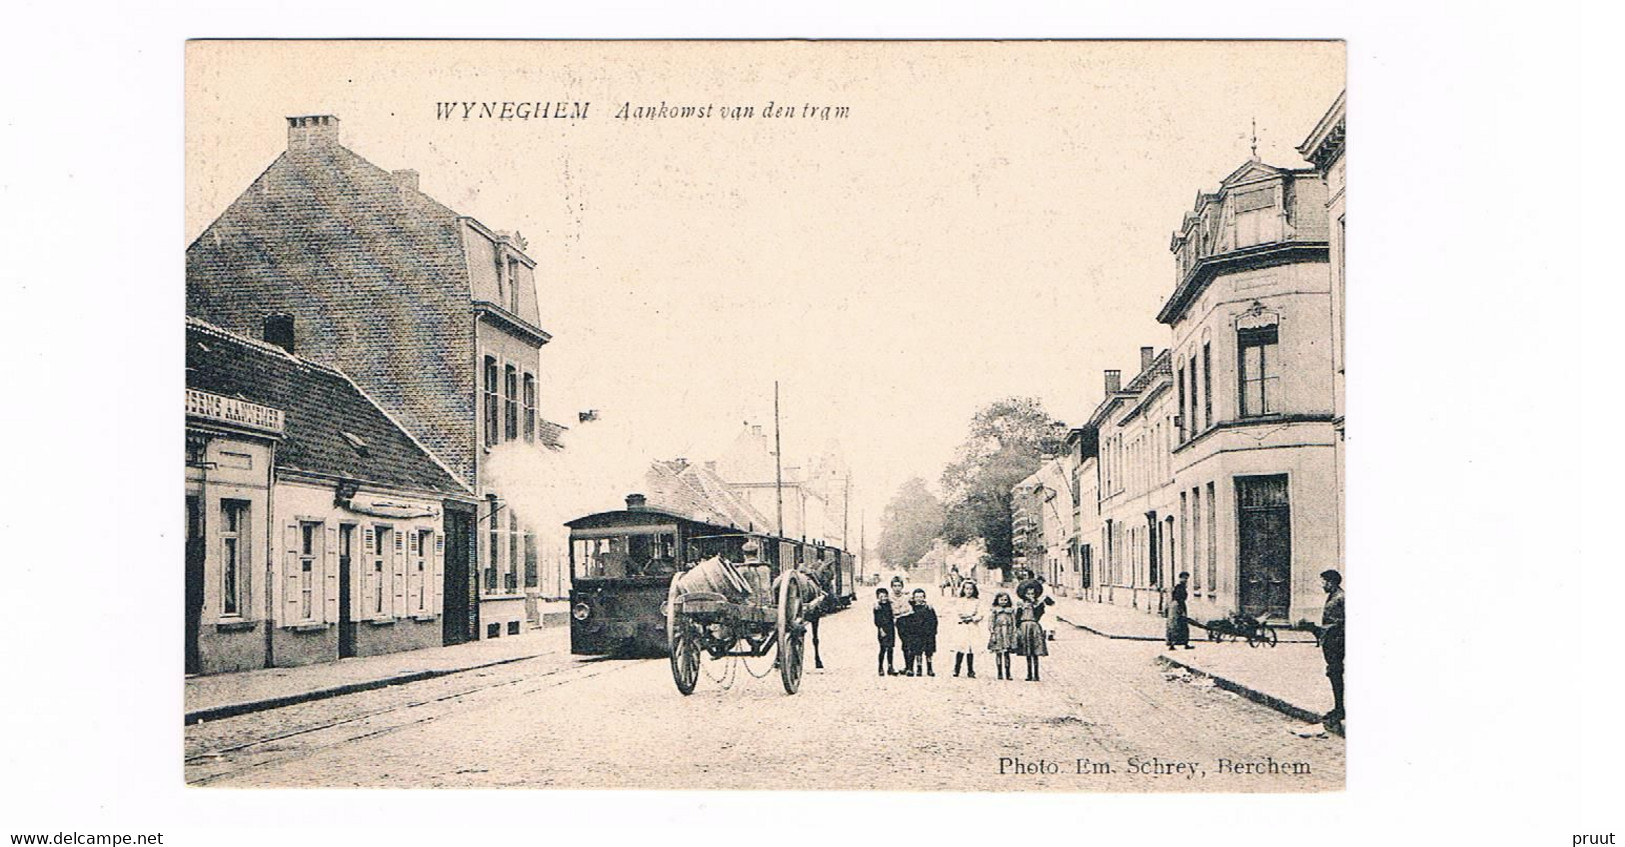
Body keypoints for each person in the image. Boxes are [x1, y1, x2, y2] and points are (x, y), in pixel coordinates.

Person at [1316, 569, 1346, 728]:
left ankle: (1340, 709)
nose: (1321, 585)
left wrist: (1320, 631)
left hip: (1336, 642)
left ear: (1330, 582)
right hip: (1331, 641)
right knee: (1334, 674)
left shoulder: (1340, 598)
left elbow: (1339, 623)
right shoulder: (1334, 596)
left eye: (1323, 581)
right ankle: (1338, 707)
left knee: (1335, 673)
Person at [895, 588, 938, 676]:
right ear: (913, 598)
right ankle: (919, 668)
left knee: (929, 652)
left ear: (924, 597)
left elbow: (934, 620)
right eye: (917, 597)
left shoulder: (928, 608)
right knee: (918, 651)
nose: (919, 599)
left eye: (921, 597)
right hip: (916, 634)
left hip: (928, 634)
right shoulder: (911, 608)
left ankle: (930, 668)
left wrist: (933, 631)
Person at [1013, 581, 1049, 681]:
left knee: (1035, 651)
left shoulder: (1038, 605)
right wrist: (1017, 627)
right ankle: (1029, 673)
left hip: (1034, 626)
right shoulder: (1021, 605)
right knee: (1027, 651)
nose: (1030, 596)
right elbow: (1018, 617)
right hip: (1024, 627)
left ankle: (1036, 674)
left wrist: (1035, 605)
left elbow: (1039, 615)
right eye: (1028, 594)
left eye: (1032, 594)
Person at [950, 580, 984, 678]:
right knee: (960, 647)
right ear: (963, 590)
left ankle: (970, 670)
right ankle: (957, 669)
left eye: (971, 589)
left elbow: (980, 614)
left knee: (970, 648)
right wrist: (961, 618)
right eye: (967, 589)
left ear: (974, 590)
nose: (969, 591)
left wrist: (972, 618)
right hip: (962, 626)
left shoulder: (977, 601)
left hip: (972, 626)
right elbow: (956, 612)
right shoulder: (960, 601)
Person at [986, 590, 1017, 680]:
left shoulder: (1010, 611)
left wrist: (1013, 632)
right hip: (998, 632)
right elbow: (991, 622)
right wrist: (992, 632)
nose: (1003, 602)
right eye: (1001, 600)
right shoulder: (995, 611)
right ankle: (999, 672)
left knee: (1007, 654)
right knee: (998, 653)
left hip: (1007, 633)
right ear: (997, 600)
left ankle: (1008, 672)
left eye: (1005, 600)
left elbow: (1014, 622)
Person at [873, 587, 898, 676]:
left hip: (891, 629)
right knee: (883, 649)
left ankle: (890, 667)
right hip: (882, 630)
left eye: (885, 596)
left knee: (891, 648)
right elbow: (876, 620)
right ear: (878, 597)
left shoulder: (889, 604)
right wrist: (881, 629)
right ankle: (880, 667)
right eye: (881, 596)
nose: (883, 598)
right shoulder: (877, 607)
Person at [1167, 572, 1193, 650]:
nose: (1185, 580)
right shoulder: (1179, 587)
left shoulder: (1181, 587)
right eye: (1184, 578)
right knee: (1176, 625)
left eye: (1186, 578)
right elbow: (1178, 598)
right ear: (1180, 578)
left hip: (1177, 606)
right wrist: (1181, 611)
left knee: (1180, 626)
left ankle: (1184, 644)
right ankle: (1173, 644)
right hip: (1178, 607)